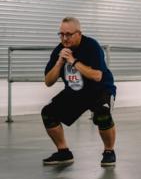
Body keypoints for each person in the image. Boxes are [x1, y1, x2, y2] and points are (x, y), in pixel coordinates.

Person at [41, 17, 117, 167]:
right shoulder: (59, 51)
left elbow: (97, 76)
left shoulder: (91, 46)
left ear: (79, 34)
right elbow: (48, 82)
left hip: (100, 89)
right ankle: (64, 153)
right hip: (76, 92)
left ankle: (109, 151)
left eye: (68, 34)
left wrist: (73, 61)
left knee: (103, 113)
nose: (64, 38)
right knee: (48, 113)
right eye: (61, 34)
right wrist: (59, 63)